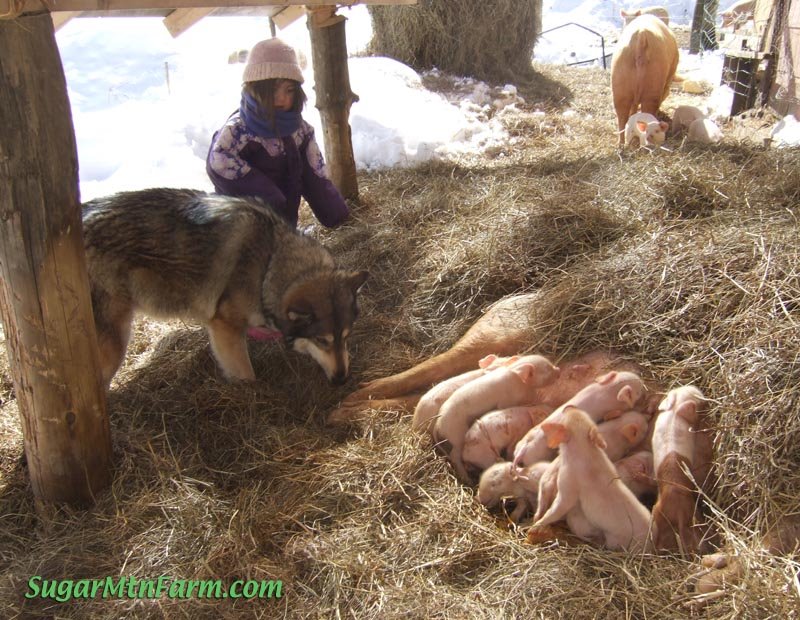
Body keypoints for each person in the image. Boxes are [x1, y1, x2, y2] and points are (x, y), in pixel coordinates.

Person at [206, 37, 349, 230]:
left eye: (289, 90)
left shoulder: (300, 132)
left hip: (284, 224)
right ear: (255, 87)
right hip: (241, 228)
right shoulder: (238, 131)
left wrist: (335, 212)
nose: (282, 98)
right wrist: (268, 197)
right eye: (273, 89)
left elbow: (314, 173)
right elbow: (219, 163)